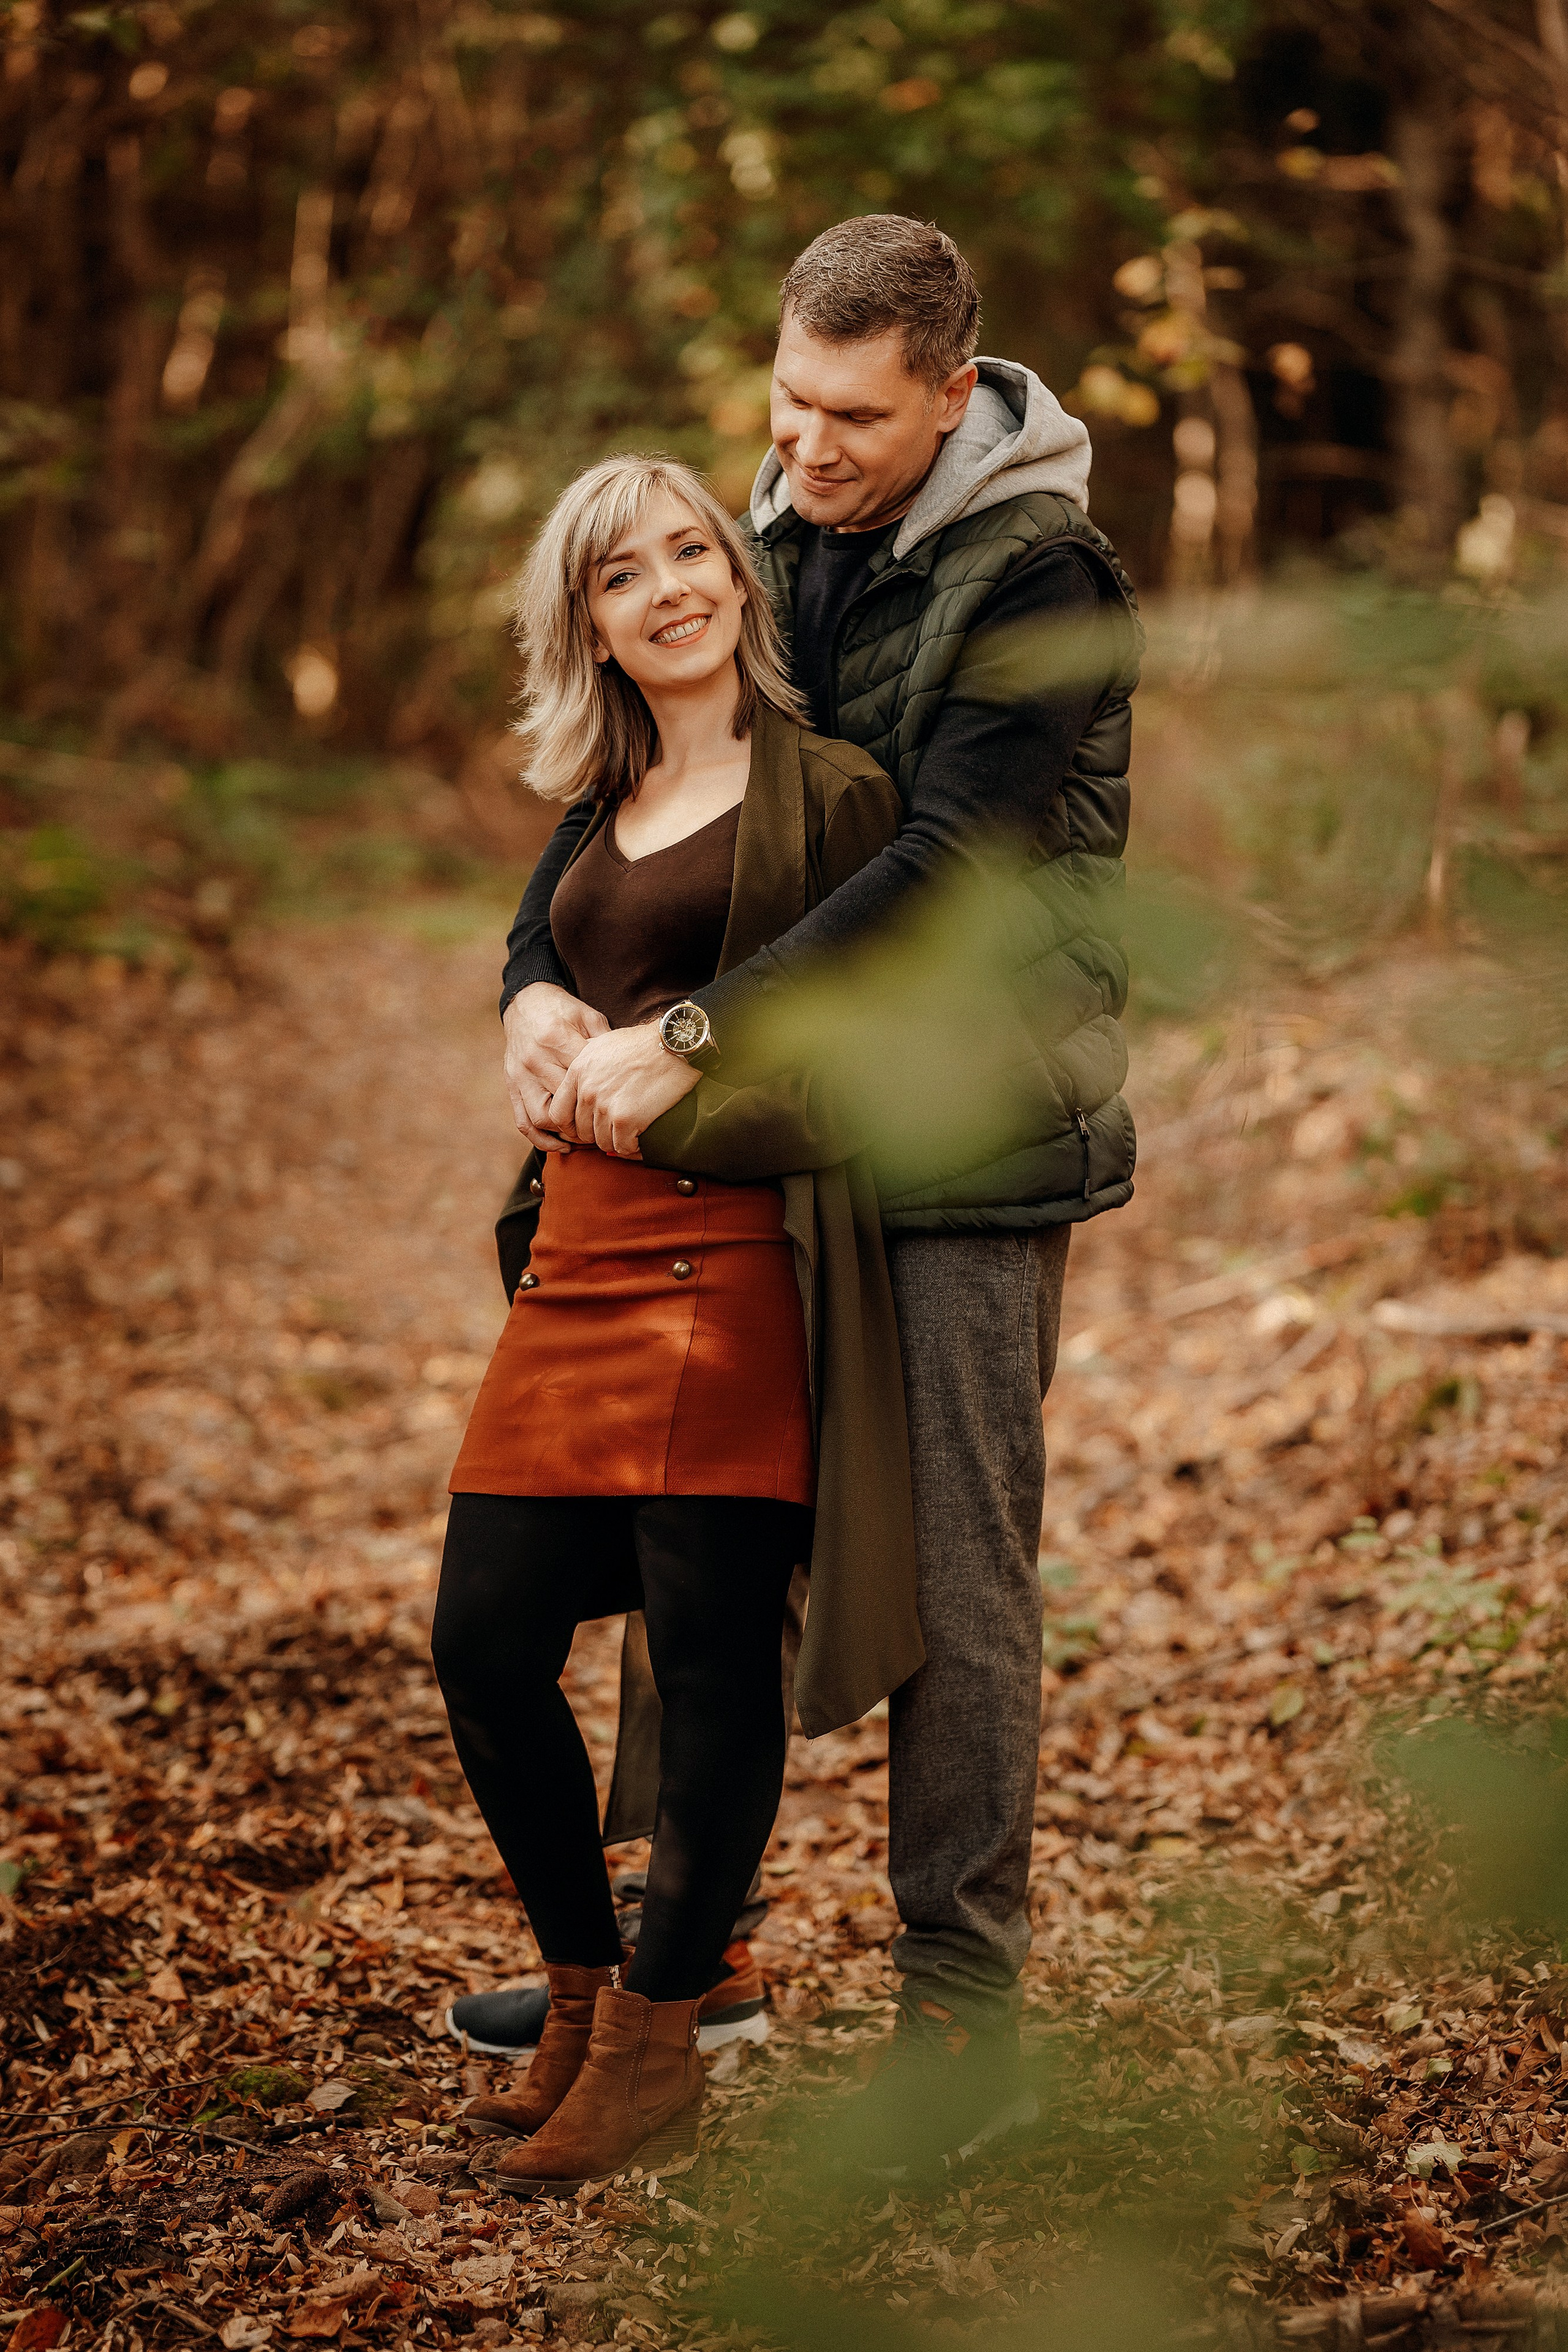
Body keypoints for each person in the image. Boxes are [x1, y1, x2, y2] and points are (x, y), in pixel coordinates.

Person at [492, 216, 1142, 2180]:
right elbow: (650, 767)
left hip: (958, 1133)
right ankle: (697, 1952)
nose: (808, 442)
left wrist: (690, 1033)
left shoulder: (1048, 573)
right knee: (701, 1539)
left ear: (956, 393)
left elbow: (948, 858)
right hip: (771, 1128)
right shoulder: (773, 534)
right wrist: (533, 970)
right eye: (787, 398)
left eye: (854, 415)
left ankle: (962, 2018)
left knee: (950, 1571)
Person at [431, 452, 921, 2198]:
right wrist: (534, 999)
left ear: (740, 573)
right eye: (623, 575)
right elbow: (550, 965)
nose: (670, 588)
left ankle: (656, 2037)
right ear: (591, 627)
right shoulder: (596, 805)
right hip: (573, 1269)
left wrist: (679, 1088)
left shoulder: (839, 796)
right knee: (483, 1639)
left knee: (713, 1653)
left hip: (729, 1272)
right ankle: (578, 1991)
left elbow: (876, 1065)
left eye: (692, 551)